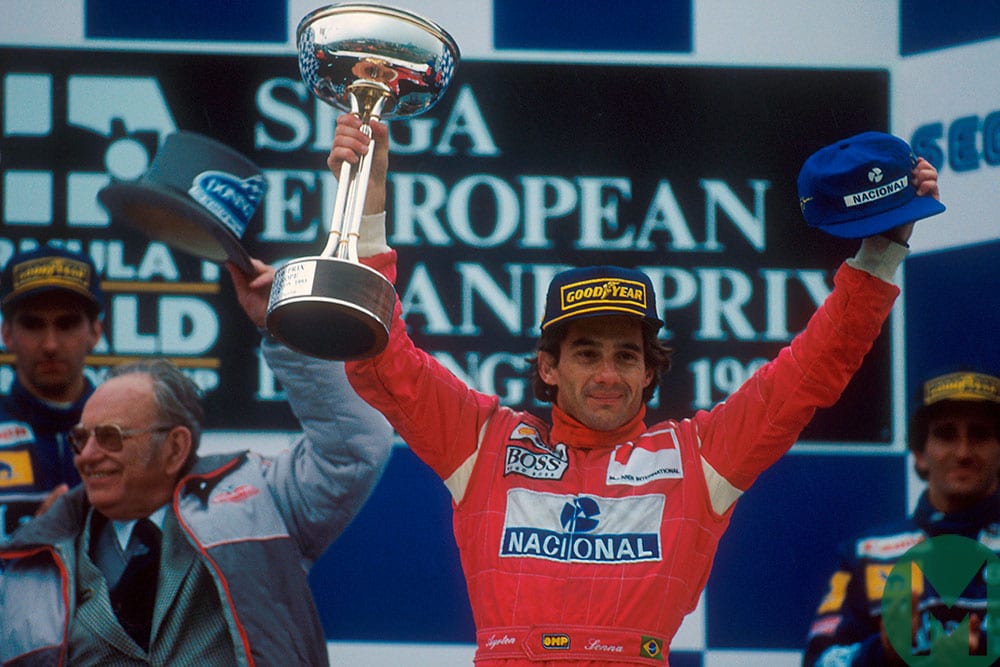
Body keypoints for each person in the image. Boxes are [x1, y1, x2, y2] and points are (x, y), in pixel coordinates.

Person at [331, 114, 944, 665]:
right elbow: (379, 359)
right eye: (586, 354)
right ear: (548, 367)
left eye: (627, 355)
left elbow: (814, 367)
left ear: (651, 371)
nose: (607, 374)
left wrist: (883, 250)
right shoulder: (485, 444)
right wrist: (367, 199)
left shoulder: (697, 459)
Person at [0, 257, 394, 665]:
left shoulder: (259, 501)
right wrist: (33, 546)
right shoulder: (39, 556)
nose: (88, 455)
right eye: (82, 438)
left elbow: (354, 446)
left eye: (110, 438)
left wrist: (286, 325)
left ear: (174, 447)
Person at [803, 369, 1000, 665]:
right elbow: (820, 661)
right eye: (946, 434)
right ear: (920, 452)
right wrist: (883, 653)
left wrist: (986, 651)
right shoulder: (867, 555)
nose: (963, 452)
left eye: (979, 435)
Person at [0, 245, 104, 539]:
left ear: (96, 331)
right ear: (6, 333)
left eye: (67, 324)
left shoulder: (128, 435)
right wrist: (29, 544)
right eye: (33, 324)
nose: (50, 345)